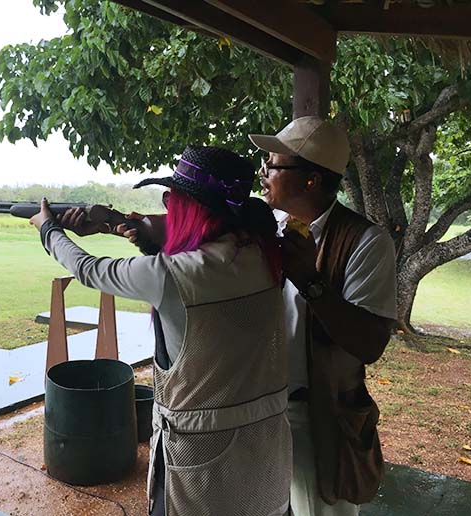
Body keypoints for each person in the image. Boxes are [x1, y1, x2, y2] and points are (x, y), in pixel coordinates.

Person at [30, 145, 292, 516]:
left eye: (172, 200)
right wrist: (125, 229)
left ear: (189, 207)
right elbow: (196, 258)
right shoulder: (264, 254)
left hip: (200, 457)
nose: (168, 206)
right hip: (265, 447)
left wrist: (49, 231)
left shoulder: (171, 274)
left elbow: (88, 269)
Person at [248, 116, 397, 516]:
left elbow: (370, 342)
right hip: (262, 411)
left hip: (320, 419)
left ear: (311, 180)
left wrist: (312, 282)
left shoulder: (366, 242)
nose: (263, 173)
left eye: (273, 166)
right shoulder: (268, 228)